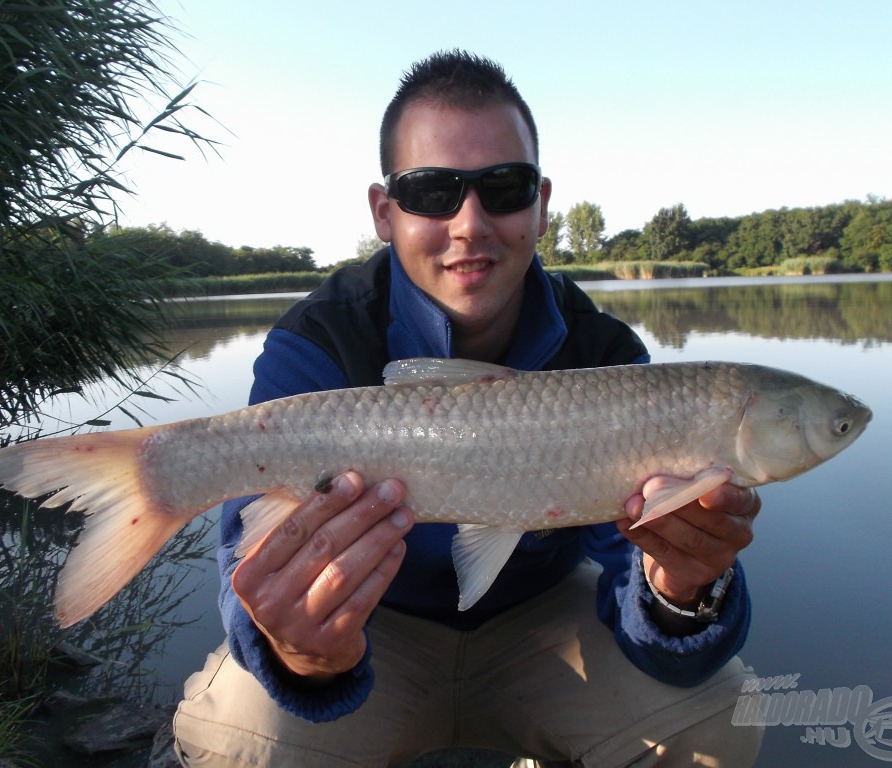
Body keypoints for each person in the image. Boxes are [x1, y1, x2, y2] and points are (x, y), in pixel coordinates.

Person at [173, 50, 763, 767]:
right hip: (374, 627)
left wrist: (679, 591)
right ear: (384, 213)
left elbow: (640, 601)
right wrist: (304, 653)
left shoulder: (604, 352)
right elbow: (250, 563)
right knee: (237, 737)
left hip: (543, 627)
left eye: (504, 187)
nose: (470, 224)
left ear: (541, 204)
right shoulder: (318, 340)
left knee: (717, 721)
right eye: (431, 192)